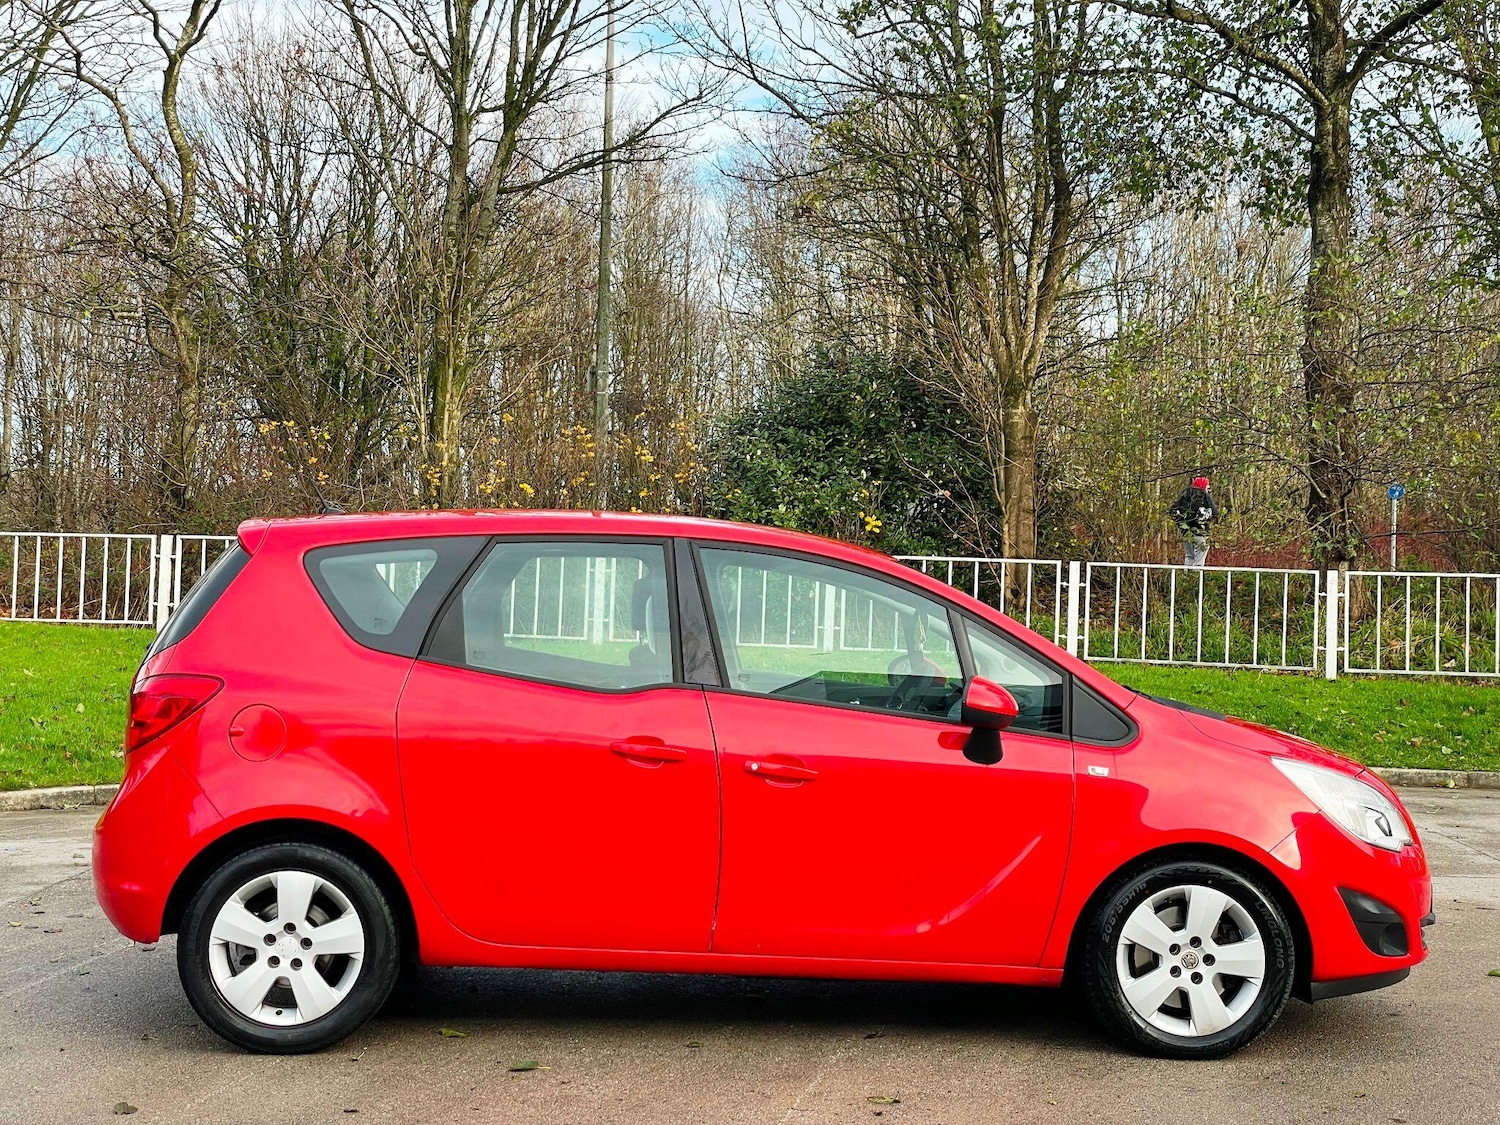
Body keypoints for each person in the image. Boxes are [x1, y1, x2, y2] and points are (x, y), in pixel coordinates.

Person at [1168, 475, 1219, 567]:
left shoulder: (1185, 496)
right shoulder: (1205, 497)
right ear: (1203, 486)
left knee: (1189, 557)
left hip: (1186, 533)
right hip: (1201, 533)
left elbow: (1173, 511)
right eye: (1208, 487)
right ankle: (1196, 579)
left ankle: (1187, 578)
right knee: (1199, 560)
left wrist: (1181, 523)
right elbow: (1215, 512)